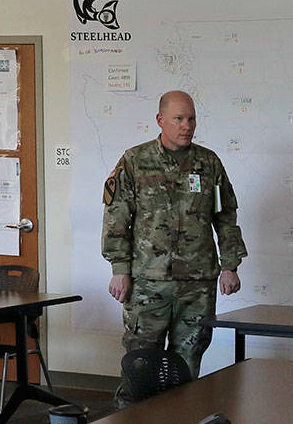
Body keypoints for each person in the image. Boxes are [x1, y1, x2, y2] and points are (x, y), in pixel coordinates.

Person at [101, 90, 247, 383]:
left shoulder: (209, 164)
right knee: (140, 363)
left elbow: (225, 216)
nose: (186, 126)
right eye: (178, 119)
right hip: (148, 283)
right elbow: (117, 217)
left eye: (191, 119)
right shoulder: (135, 161)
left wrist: (230, 266)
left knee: (187, 364)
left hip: (196, 285)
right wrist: (119, 270)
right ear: (160, 120)